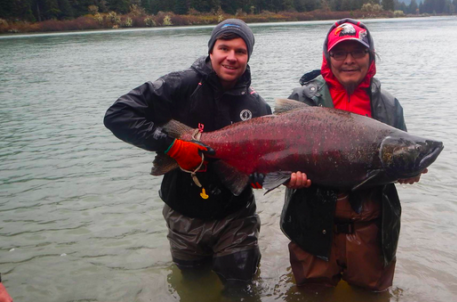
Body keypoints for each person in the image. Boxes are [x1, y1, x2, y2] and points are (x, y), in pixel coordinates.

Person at [104, 19, 272, 291]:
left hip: (236, 217)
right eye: (224, 48)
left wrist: (260, 176)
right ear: (211, 51)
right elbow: (118, 115)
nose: (231, 57)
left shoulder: (258, 106)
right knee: (194, 286)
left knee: (242, 290)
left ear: (248, 56)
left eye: (240, 51)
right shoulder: (180, 85)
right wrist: (171, 146)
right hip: (182, 214)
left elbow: (265, 165)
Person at [281, 19, 428, 292]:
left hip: (371, 231)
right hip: (312, 229)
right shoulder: (303, 99)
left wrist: (409, 173)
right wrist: (286, 178)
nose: (349, 60)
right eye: (339, 53)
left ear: (370, 56)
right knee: (313, 295)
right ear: (328, 57)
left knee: (372, 296)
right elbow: (278, 159)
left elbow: (401, 156)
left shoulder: (389, 105)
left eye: (358, 52)